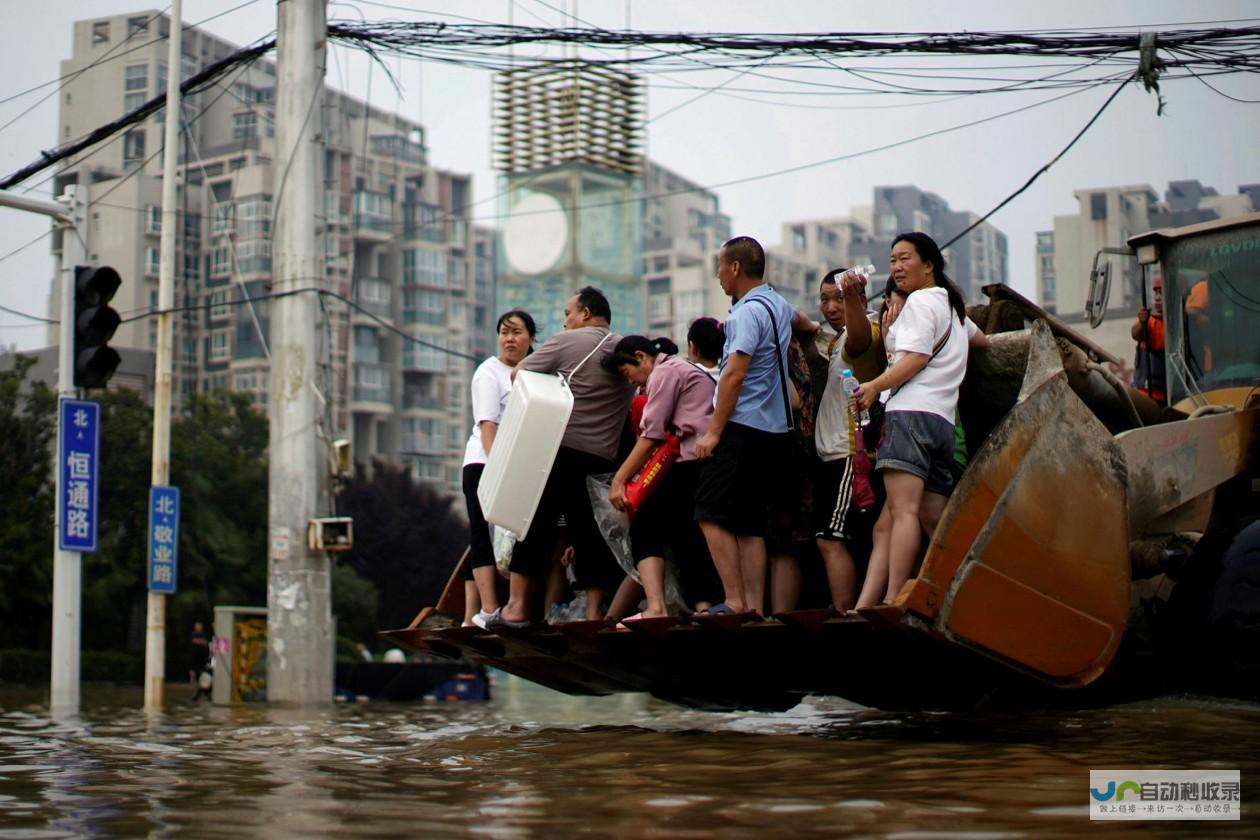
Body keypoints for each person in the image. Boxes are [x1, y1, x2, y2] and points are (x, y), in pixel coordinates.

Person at [489, 287, 635, 629]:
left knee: (533, 526)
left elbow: (518, 374)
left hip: (559, 451)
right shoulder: (625, 349)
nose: (565, 321)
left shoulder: (568, 341)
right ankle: (593, 612)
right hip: (603, 457)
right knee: (592, 534)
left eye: (568, 313)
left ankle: (516, 608)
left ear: (585, 313)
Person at [854, 232, 982, 609]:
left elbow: (916, 358)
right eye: (892, 260)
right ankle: (958, 589)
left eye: (905, 258)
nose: (896, 266)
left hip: (909, 416)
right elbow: (982, 341)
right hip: (941, 422)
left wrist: (875, 385)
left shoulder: (921, 302)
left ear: (930, 265)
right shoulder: (953, 307)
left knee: (902, 512)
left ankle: (893, 598)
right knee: (932, 516)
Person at [694, 236, 796, 616]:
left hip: (740, 428)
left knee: (708, 512)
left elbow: (734, 374)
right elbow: (803, 321)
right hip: (773, 432)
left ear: (735, 267)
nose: (719, 275)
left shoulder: (743, 315)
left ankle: (735, 600)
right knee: (750, 523)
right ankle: (753, 607)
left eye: (721, 267)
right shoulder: (778, 305)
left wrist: (714, 432)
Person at [605, 335, 718, 619]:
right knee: (687, 535)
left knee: (644, 527)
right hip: (703, 461)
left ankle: (656, 607)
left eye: (627, 373)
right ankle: (704, 606)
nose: (630, 381)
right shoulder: (681, 368)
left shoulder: (664, 373)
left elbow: (651, 435)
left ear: (641, 357)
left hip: (691, 460)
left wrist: (619, 481)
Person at [810, 267, 884, 612]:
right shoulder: (835, 339)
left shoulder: (865, 330)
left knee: (830, 538)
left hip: (847, 453)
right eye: (824, 299)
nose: (830, 307)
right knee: (840, 538)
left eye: (839, 298)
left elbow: (859, 339)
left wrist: (851, 297)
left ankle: (844, 614)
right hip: (832, 455)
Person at [461, 309, 536, 629]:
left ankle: (496, 609)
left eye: (516, 332)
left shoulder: (534, 372)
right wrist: (496, 469)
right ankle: (489, 607)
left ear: (531, 338)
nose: (509, 339)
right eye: (504, 332)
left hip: (518, 466)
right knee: (481, 533)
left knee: (518, 534)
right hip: (485, 463)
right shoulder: (488, 372)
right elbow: (488, 424)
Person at [1131, 277, 1166, 404]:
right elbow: (1135, 334)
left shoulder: (1179, 320)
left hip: (1172, 393)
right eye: (1156, 293)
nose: (1157, 297)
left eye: (1161, 293)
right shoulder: (1149, 321)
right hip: (1147, 393)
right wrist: (1142, 323)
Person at [189, 621, 210, 701]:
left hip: (205, 660)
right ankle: (201, 693)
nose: (198, 628)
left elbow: (206, 643)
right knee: (199, 677)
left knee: (204, 676)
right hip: (195, 660)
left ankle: (204, 693)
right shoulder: (193, 635)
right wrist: (202, 642)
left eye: (199, 626)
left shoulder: (205, 635)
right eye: (197, 626)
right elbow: (194, 641)